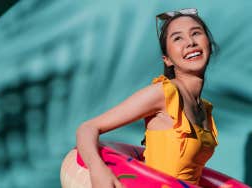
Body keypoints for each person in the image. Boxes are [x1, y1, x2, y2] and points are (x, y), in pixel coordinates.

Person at [76, 8, 219, 187]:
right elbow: (87, 128)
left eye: (196, 33)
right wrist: (98, 170)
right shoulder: (163, 94)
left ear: (209, 45)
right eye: (177, 38)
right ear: (167, 59)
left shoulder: (205, 108)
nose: (190, 42)